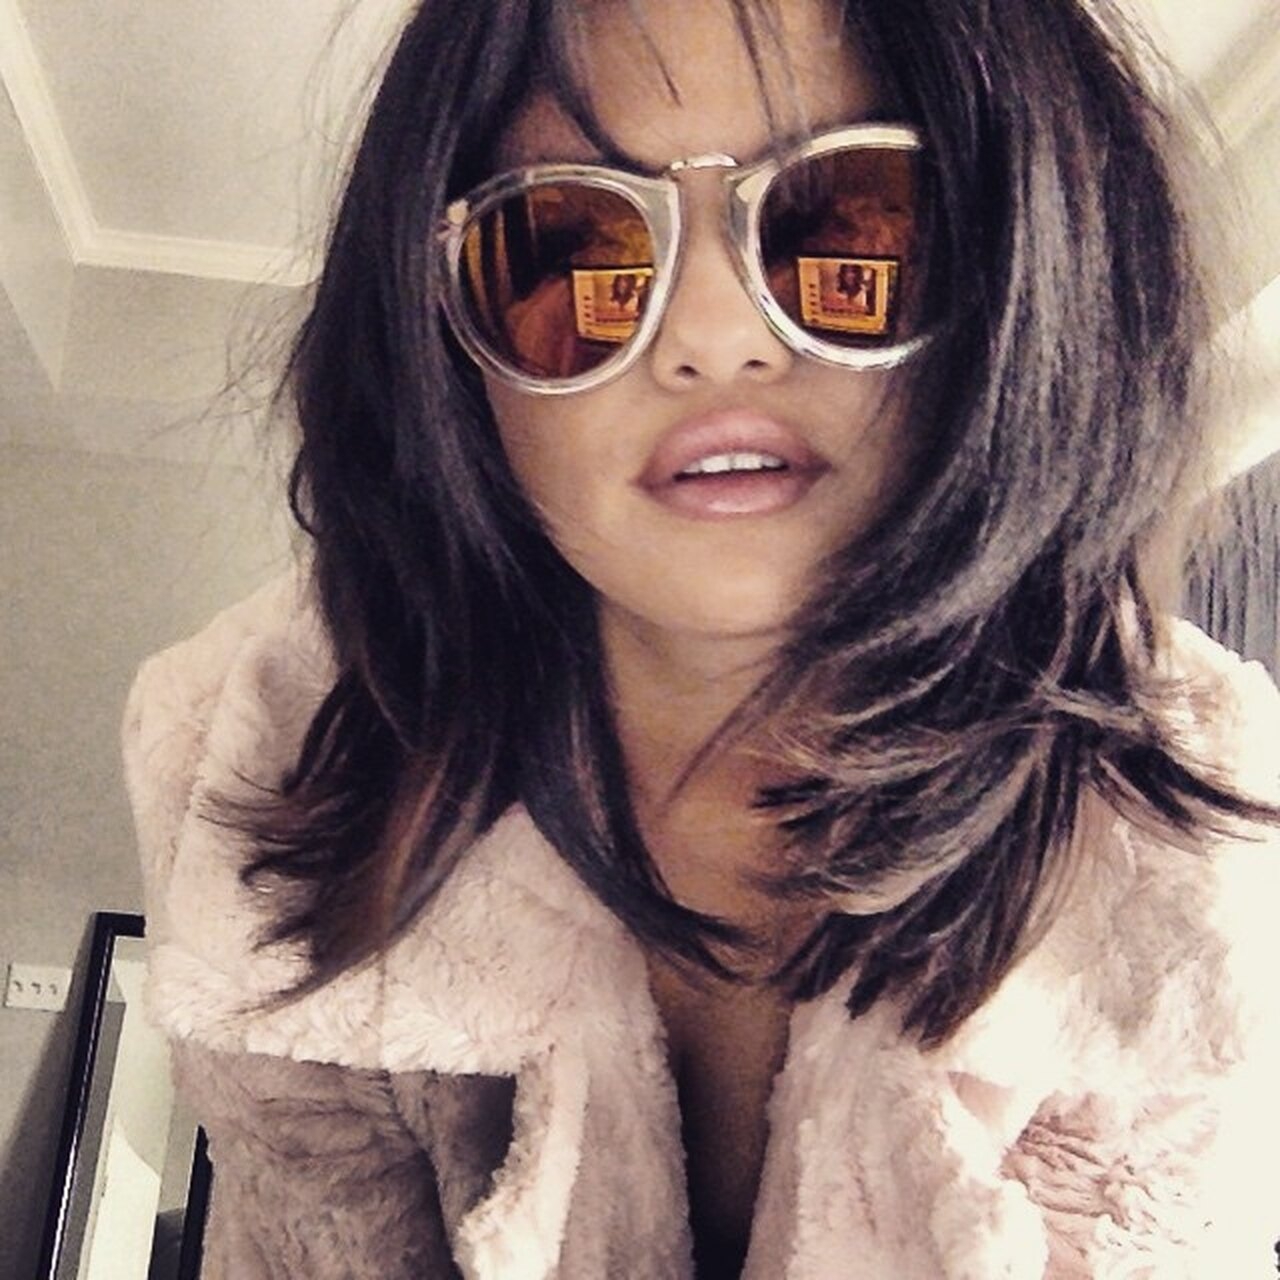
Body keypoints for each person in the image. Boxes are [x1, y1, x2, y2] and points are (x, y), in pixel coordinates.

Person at [122, 0, 1280, 1276]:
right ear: (441, 347)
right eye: (568, 242)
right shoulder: (258, 760)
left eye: (853, 215)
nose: (709, 337)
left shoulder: (1197, 859)